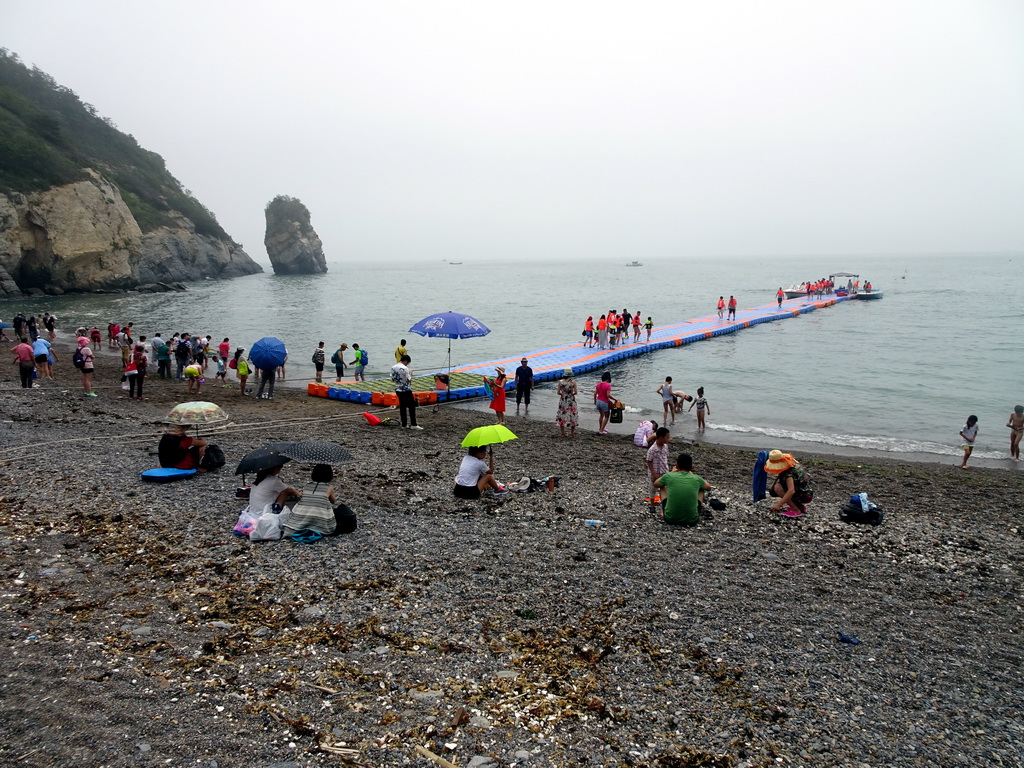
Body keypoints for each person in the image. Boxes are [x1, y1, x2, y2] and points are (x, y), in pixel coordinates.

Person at [283, 464, 340, 536]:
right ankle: (316, 527)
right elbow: (333, 501)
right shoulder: (329, 487)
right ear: (329, 475)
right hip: (320, 520)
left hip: (301, 518)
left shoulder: (307, 485)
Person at [655, 453, 711, 526]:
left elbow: (656, 484)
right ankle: (693, 510)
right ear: (691, 467)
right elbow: (708, 487)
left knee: (662, 486)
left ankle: (665, 510)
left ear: (677, 466)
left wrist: (672, 472)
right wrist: (693, 475)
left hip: (670, 519)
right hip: (692, 520)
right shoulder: (696, 478)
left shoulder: (669, 476)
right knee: (701, 489)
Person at [765, 450, 813, 516]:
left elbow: (791, 491)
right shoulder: (793, 463)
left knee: (778, 487)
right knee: (782, 486)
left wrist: (779, 505)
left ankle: (795, 510)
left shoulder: (788, 474)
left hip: (804, 496)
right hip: (807, 492)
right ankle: (800, 506)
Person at [391, 354, 422, 429]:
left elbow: (393, 379)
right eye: (408, 363)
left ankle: (404, 424)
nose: (407, 364)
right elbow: (409, 380)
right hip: (406, 390)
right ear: (406, 361)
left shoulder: (393, 367)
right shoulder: (405, 368)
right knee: (411, 406)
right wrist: (410, 374)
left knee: (402, 407)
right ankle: (414, 424)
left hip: (398, 389)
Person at [646, 427, 671, 512]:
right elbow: (649, 461)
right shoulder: (652, 449)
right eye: (667, 437)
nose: (669, 439)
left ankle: (664, 504)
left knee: (664, 488)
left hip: (664, 471)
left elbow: (665, 458)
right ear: (661, 438)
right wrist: (654, 473)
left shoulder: (665, 447)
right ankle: (652, 504)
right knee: (653, 488)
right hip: (655, 472)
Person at [556, 367, 578, 437]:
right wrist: (570, 394)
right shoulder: (573, 382)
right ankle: (572, 433)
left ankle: (562, 432)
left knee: (562, 414)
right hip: (571, 399)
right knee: (573, 414)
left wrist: (563, 394)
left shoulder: (560, 382)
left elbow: (558, 392)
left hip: (563, 400)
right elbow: (575, 392)